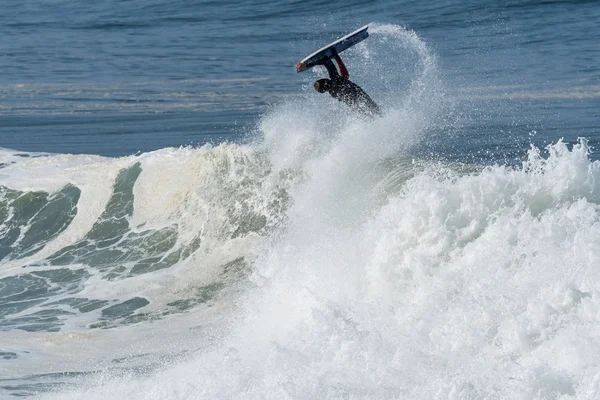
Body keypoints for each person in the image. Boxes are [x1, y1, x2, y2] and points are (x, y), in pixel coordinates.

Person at [298, 54, 381, 117]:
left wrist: (338, 58)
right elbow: (325, 60)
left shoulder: (333, 93)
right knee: (379, 115)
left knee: (370, 119)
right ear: (325, 81)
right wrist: (306, 65)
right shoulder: (335, 80)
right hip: (363, 99)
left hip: (357, 108)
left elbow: (345, 76)